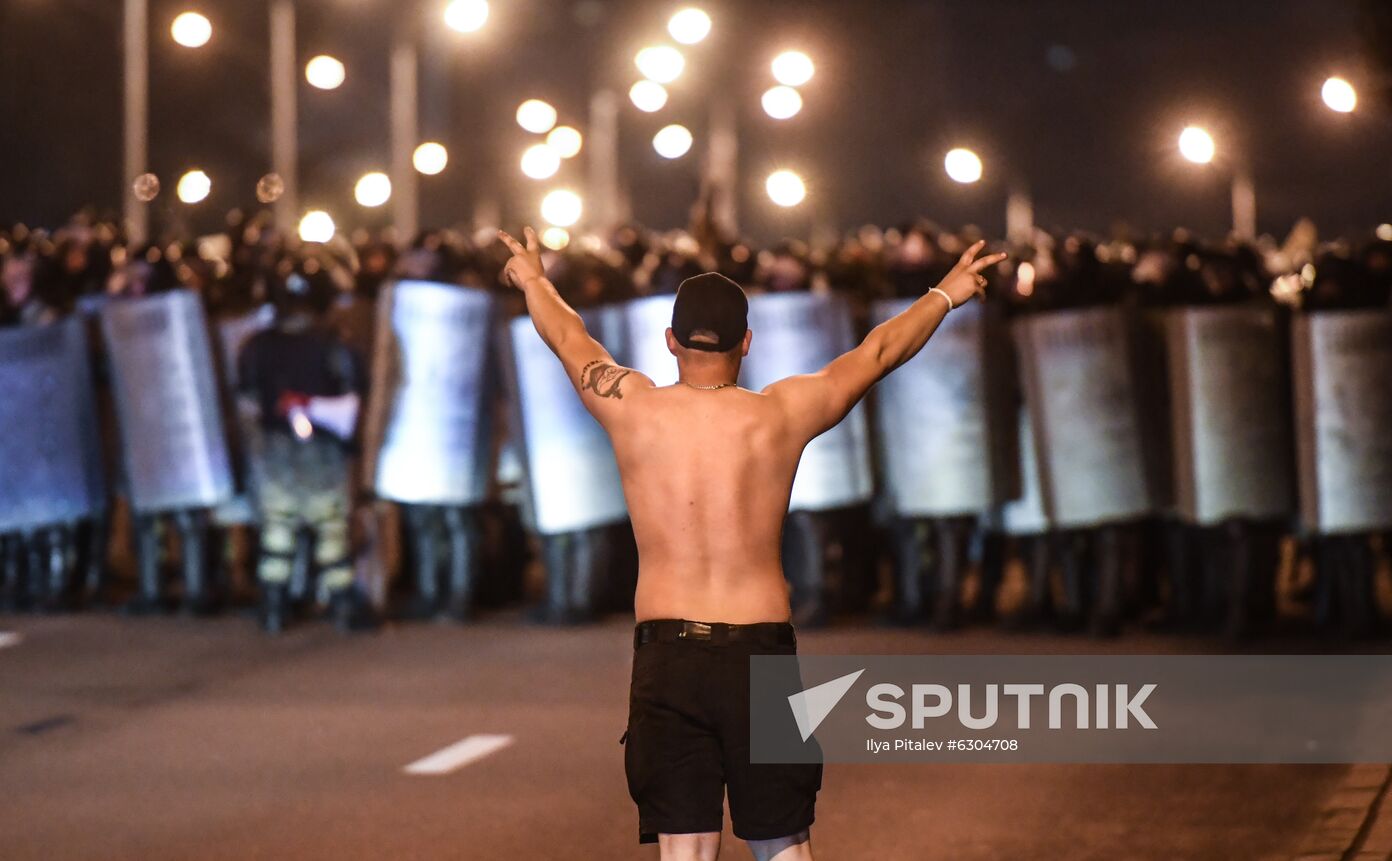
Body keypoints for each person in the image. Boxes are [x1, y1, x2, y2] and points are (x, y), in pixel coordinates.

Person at [498, 226, 1003, 860]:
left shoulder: (632, 407)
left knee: (686, 855)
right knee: (784, 849)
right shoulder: (781, 414)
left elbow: (569, 340)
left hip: (669, 654)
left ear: (670, 341)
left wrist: (533, 279)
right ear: (748, 342)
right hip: (761, 654)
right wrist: (945, 293)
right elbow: (876, 354)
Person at [237, 263, 375, 633]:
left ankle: (273, 607)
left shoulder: (257, 345)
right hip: (323, 451)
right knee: (331, 531)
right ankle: (344, 607)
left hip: (275, 450)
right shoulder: (335, 343)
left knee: (277, 531)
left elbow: (248, 403)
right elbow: (355, 395)